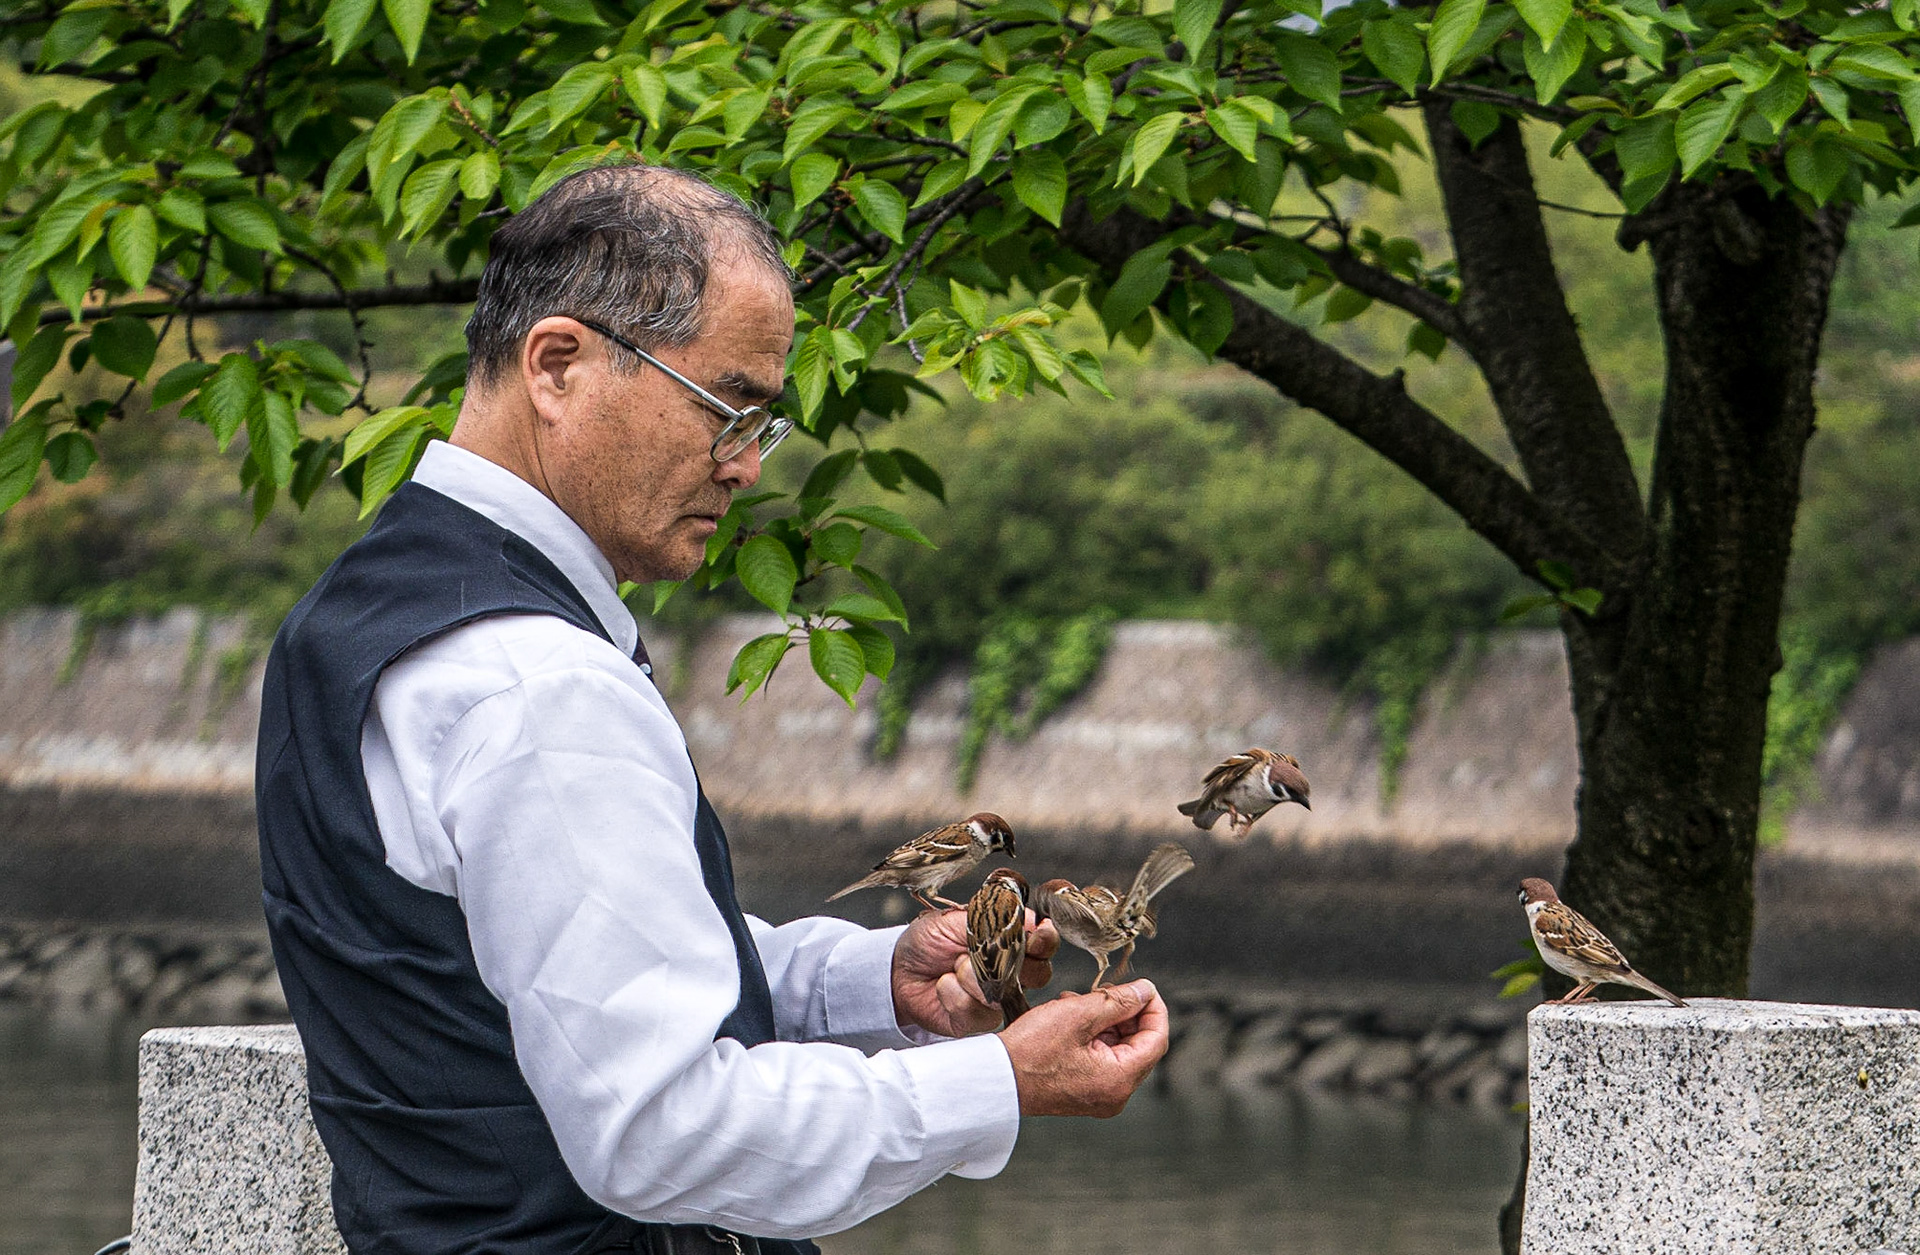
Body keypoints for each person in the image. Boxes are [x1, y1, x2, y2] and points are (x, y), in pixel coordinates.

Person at [255, 163, 1170, 1255]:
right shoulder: (541, 686)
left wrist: (868, 980)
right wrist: (998, 1084)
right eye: (728, 406)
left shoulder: (362, 610)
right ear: (558, 365)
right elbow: (661, 1132)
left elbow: (552, 965)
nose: (744, 465)